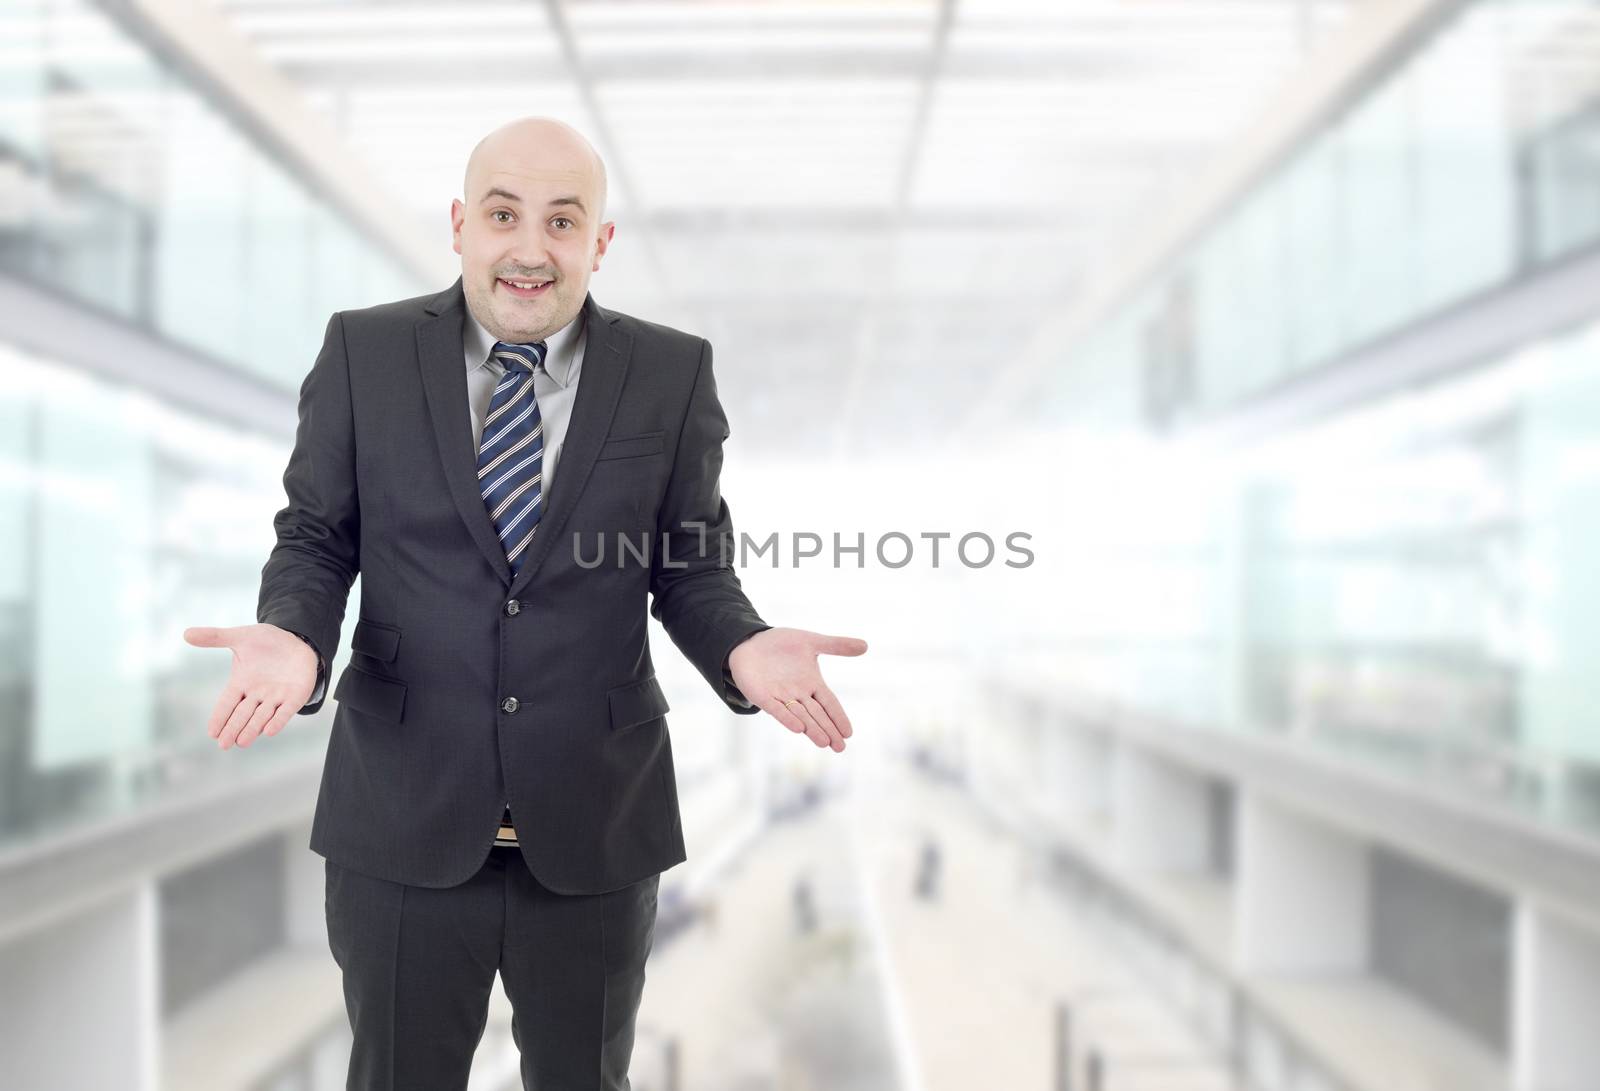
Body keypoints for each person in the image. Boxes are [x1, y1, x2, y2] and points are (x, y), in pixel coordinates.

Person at [182, 116, 867, 1091]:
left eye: (562, 220)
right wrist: (295, 636)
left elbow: (686, 563)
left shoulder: (669, 373)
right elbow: (316, 536)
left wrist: (743, 645)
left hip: (593, 819)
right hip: (404, 817)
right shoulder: (362, 353)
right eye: (503, 214)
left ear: (600, 242)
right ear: (461, 223)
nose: (530, 249)